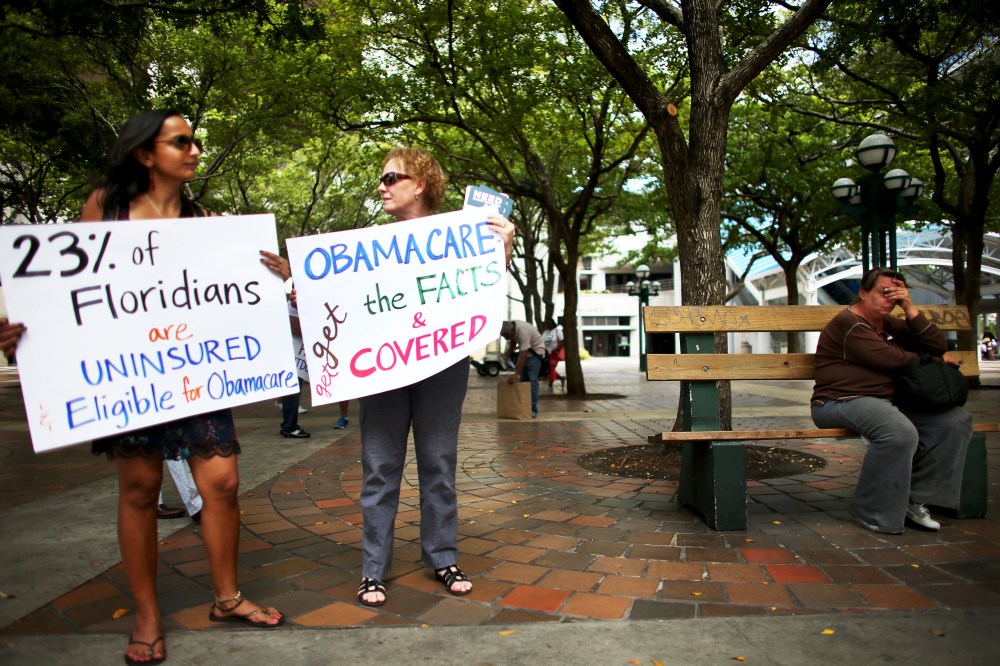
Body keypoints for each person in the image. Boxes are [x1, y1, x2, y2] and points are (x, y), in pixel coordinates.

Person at [2, 109, 287, 665]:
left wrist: (272, 279)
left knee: (223, 481)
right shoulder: (104, 208)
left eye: (195, 141)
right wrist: (20, 332)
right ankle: (148, 615)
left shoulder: (207, 221)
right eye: (181, 142)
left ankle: (227, 597)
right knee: (138, 488)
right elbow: (64, 293)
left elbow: (226, 302)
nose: (195, 150)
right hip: (131, 378)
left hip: (196, 374)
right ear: (144, 153)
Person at [354, 146, 515, 607]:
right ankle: (372, 569)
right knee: (380, 467)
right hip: (384, 364)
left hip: (442, 364)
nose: (381, 186)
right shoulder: (367, 246)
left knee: (439, 463)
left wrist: (501, 245)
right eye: (382, 180)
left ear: (419, 184)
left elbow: (480, 292)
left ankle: (442, 556)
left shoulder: (461, 236)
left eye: (390, 178)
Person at [810, 267, 973, 535]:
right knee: (898, 431)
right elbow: (888, 358)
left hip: (888, 402)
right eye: (884, 293)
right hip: (840, 402)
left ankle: (913, 497)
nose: (890, 300)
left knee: (955, 422)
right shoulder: (848, 323)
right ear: (862, 293)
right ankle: (872, 510)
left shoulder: (891, 325)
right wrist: (933, 361)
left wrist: (909, 307)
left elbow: (937, 345)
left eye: (896, 295)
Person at [501, 319, 546, 418]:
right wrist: (507, 353)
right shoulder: (512, 327)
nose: (505, 338)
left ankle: (533, 409)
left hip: (536, 354)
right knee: (523, 382)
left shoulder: (523, 331)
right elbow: (513, 341)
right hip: (527, 353)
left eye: (505, 336)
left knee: (532, 381)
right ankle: (524, 407)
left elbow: (524, 354)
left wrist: (517, 373)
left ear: (512, 331)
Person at [541, 318, 565, 392]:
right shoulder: (545, 332)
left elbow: (562, 341)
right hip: (546, 353)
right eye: (546, 323)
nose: (548, 325)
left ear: (553, 323)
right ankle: (561, 378)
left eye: (549, 323)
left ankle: (550, 386)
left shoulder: (557, 331)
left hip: (554, 353)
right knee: (549, 369)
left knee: (551, 368)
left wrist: (556, 349)